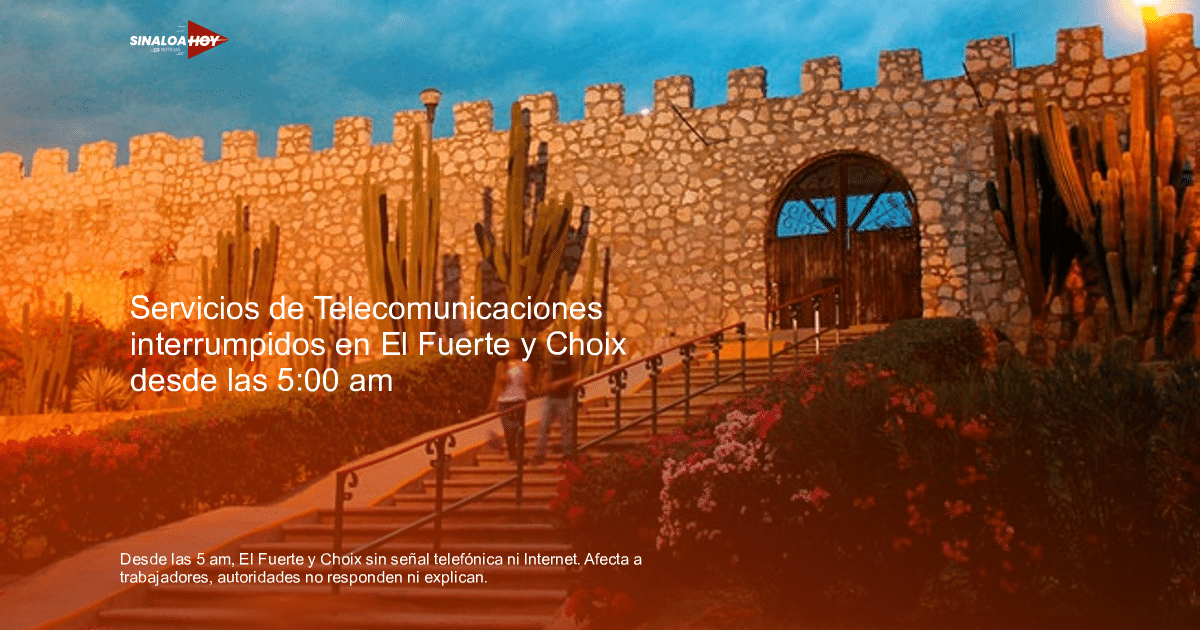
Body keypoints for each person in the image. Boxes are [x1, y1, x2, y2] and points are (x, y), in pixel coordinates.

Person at [533, 349, 577, 465]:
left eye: (556, 343)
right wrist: (545, 383)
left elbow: (574, 377)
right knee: (543, 426)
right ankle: (540, 455)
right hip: (550, 398)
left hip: (563, 397)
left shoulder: (567, 359)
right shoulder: (550, 359)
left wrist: (559, 383)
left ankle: (567, 454)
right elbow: (546, 374)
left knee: (565, 427)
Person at [489, 344, 531, 462]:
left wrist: (525, 372)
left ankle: (520, 454)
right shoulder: (501, 365)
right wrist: (493, 402)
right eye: (507, 347)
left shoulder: (523, 365)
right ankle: (513, 454)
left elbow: (527, 382)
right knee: (508, 428)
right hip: (504, 400)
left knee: (519, 427)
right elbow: (497, 383)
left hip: (518, 399)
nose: (509, 350)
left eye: (512, 347)